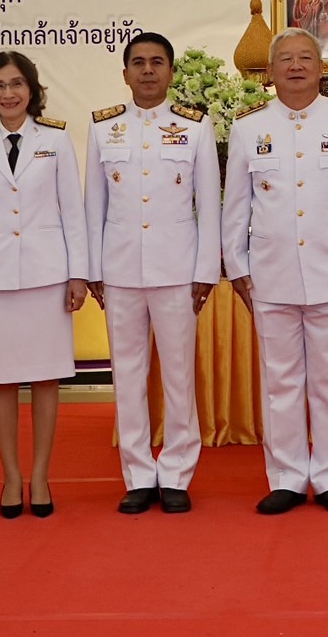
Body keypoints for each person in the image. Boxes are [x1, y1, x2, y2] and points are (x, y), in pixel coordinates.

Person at [222, 28, 328, 515]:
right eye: (285, 59)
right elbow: (236, 206)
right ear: (270, 72)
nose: (295, 66)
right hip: (269, 275)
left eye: (305, 58)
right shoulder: (249, 127)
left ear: (321, 67)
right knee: (281, 382)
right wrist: (237, 268)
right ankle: (288, 477)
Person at [84, 33, 220, 515]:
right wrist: (92, 269)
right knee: (128, 375)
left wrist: (206, 269)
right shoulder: (103, 128)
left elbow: (209, 204)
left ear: (171, 72)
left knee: (180, 375)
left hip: (178, 269)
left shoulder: (195, 127)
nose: (147, 70)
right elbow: (93, 206)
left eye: (157, 62)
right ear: (125, 73)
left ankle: (178, 471)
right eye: (138, 62)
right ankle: (139, 474)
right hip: (120, 270)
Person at [0, 51, 87, 519]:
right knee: (2, 381)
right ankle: (11, 477)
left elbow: (73, 210)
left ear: (31, 89)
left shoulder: (55, 139)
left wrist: (77, 273)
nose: (8, 94)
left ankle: (42, 476)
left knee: (46, 379)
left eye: (16, 84)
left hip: (46, 275)